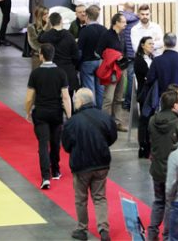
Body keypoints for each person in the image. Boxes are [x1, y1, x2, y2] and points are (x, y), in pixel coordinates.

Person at [62, 88, 118, 241]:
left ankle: (82, 229)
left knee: (81, 198)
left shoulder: (72, 122)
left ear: (80, 101)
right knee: (100, 197)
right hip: (102, 163)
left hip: (81, 166)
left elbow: (66, 145)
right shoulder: (104, 117)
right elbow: (112, 136)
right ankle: (103, 229)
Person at [25, 43, 72, 190]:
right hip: (56, 113)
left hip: (41, 113)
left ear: (41, 55)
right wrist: (69, 115)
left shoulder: (35, 73)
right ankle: (56, 170)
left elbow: (29, 97)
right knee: (55, 142)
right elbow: (65, 97)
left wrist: (27, 111)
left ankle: (45, 177)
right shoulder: (61, 73)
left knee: (43, 144)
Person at [147, 90, 178, 241]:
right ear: (175, 105)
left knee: (158, 201)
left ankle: (152, 232)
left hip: (156, 169)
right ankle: (167, 235)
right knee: (171, 204)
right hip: (172, 171)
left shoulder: (152, 121)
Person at [95, 13, 128, 131]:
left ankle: (117, 122)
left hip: (121, 69)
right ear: (116, 22)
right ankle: (105, 123)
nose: (125, 24)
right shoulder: (107, 35)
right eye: (123, 22)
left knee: (119, 98)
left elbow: (124, 51)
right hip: (111, 70)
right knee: (108, 98)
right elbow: (98, 51)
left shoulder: (122, 35)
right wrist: (112, 57)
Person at [39, 12, 80, 95]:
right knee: (68, 97)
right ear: (61, 21)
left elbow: (39, 38)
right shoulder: (69, 36)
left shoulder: (47, 36)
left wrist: (46, 26)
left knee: (54, 97)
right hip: (68, 71)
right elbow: (76, 55)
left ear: (50, 22)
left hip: (52, 70)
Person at [145, 33, 178, 98]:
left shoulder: (157, 60)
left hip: (163, 96)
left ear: (164, 43)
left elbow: (150, 79)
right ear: (176, 43)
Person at [77, 5, 107, 108]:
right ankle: (100, 112)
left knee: (89, 91)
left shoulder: (84, 31)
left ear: (87, 16)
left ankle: (91, 112)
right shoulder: (104, 30)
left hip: (87, 63)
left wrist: (77, 64)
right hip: (101, 62)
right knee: (100, 90)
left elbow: (79, 51)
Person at [134, 36, 156, 157]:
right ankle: (144, 147)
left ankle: (151, 145)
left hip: (153, 92)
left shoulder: (153, 58)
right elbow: (147, 76)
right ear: (142, 45)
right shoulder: (139, 60)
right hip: (145, 93)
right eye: (149, 44)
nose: (152, 46)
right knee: (144, 120)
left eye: (153, 44)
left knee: (151, 119)